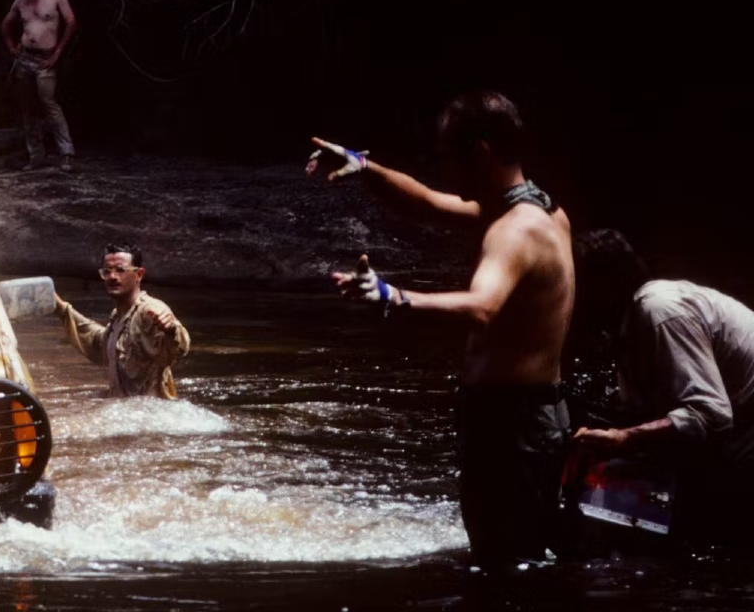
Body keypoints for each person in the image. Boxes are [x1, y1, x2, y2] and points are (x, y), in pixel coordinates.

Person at [309, 91, 575, 569]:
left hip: (512, 425)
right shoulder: (542, 211)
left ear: (480, 153)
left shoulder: (515, 231)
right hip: (529, 418)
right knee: (520, 561)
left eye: (446, 155)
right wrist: (366, 169)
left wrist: (396, 296)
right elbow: (430, 204)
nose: (442, 168)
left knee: (506, 567)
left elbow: (482, 307)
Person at [568, 229, 752, 546]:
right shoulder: (628, 324)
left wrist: (625, 438)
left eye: (574, 285)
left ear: (605, 286)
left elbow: (711, 415)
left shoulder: (659, 311)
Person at [57, 244, 190, 397]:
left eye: (121, 270)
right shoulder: (118, 315)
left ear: (139, 274)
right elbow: (100, 344)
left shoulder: (150, 311)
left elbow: (176, 350)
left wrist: (172, 330)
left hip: (149, 413)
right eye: (107, 271)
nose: (112, 277)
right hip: (124, 410)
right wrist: (61, 308)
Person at [0, 0, 79, 173]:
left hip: (46, 58)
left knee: (49, 104)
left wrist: (57, 54)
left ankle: (67, 153)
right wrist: (11, 47)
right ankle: (37, 155)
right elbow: (5, 25)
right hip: (25, 57)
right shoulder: (21, 1)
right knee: (27, 109)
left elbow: (71, 22)